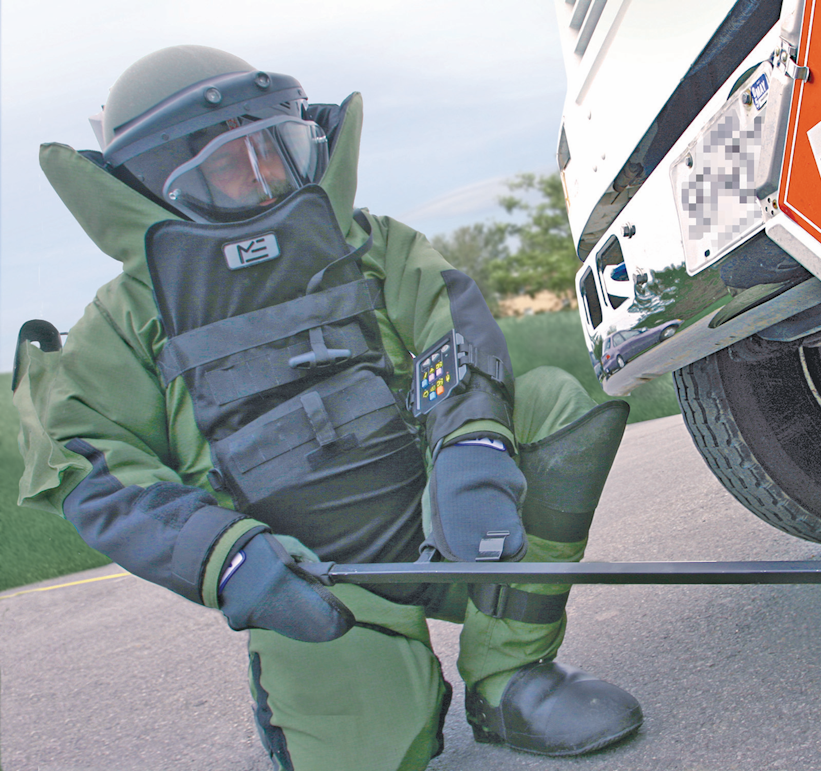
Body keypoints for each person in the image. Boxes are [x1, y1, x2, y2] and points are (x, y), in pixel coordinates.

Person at [11, 45, 642, 771]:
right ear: (159, 181)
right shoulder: (123, 322)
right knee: (378, 755)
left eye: (274, 146)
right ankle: (334, 689)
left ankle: (510, 677)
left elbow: (453, 327)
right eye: (230, 162)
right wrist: (231, 560)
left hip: (441, 521)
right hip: (310, 583)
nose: (264, 173)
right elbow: (91, 467)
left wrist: (473, 447)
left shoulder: (369, 242)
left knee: (548, 404)